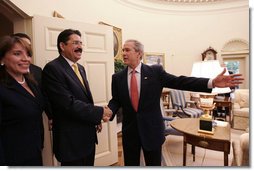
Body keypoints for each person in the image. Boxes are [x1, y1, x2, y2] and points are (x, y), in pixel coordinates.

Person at [107, 39, 244, 166]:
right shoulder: (117, 78)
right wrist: (109, 111)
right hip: (130, 134)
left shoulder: (155, 72)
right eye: (123, 50)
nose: (123, 53)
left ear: (139, 53)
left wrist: (211, 82)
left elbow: (181, 81)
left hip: (152, 132)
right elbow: (116, 101)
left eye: (127, 50)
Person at [42, 29, 112, 166]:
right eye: (75, 43)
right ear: (62, 46)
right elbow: (67, 104)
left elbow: (84, 98)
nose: (80, 47)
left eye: (81, 43)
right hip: (71, 142)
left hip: (87, 137)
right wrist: (99, 112)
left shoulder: (79, 68)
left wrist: (95, 119)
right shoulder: (53, 69)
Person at [0, 36, 45, 165]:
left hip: (34, 152)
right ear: (2, 58)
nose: (26, 59)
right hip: (12, 158)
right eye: (17, 53)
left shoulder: (31, 82)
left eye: (28, 54)